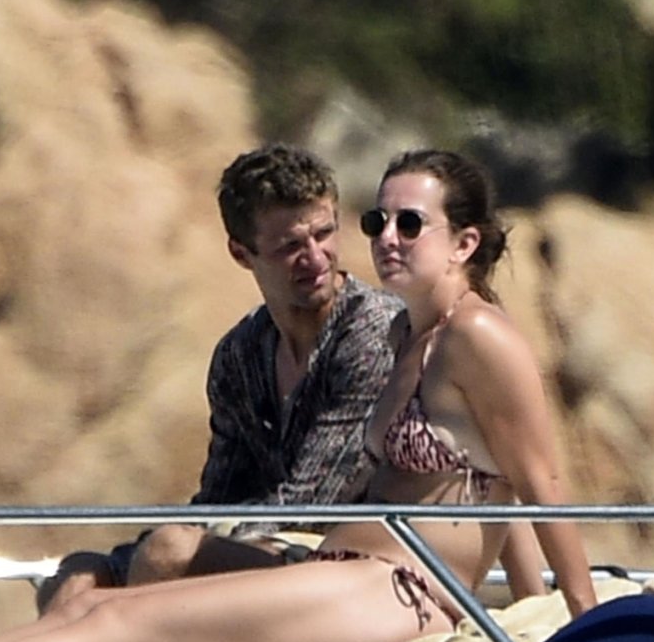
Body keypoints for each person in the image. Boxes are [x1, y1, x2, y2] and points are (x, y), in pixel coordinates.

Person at [0, 148, 595, 642]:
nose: (383, 240)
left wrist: (584, 632)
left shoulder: (474, 336)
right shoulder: (411, 334)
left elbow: (540, 487)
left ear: (465, 241)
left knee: (119, 622)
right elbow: (490, 485)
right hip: (347, 572)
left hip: (401, 592)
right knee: (94, 599)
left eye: (409, 224)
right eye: (379, 221)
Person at [38, 143, 406, 609]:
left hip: (357, 559)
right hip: (274, 549)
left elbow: (314, 502)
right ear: (241, 253)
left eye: (324, 233)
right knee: (76, 578)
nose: (315, 258)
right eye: (290, 246)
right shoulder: (240, 354)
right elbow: (221, 495)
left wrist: (171, 550)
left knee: (168, 554)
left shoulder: (374, 333)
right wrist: (124, 564)